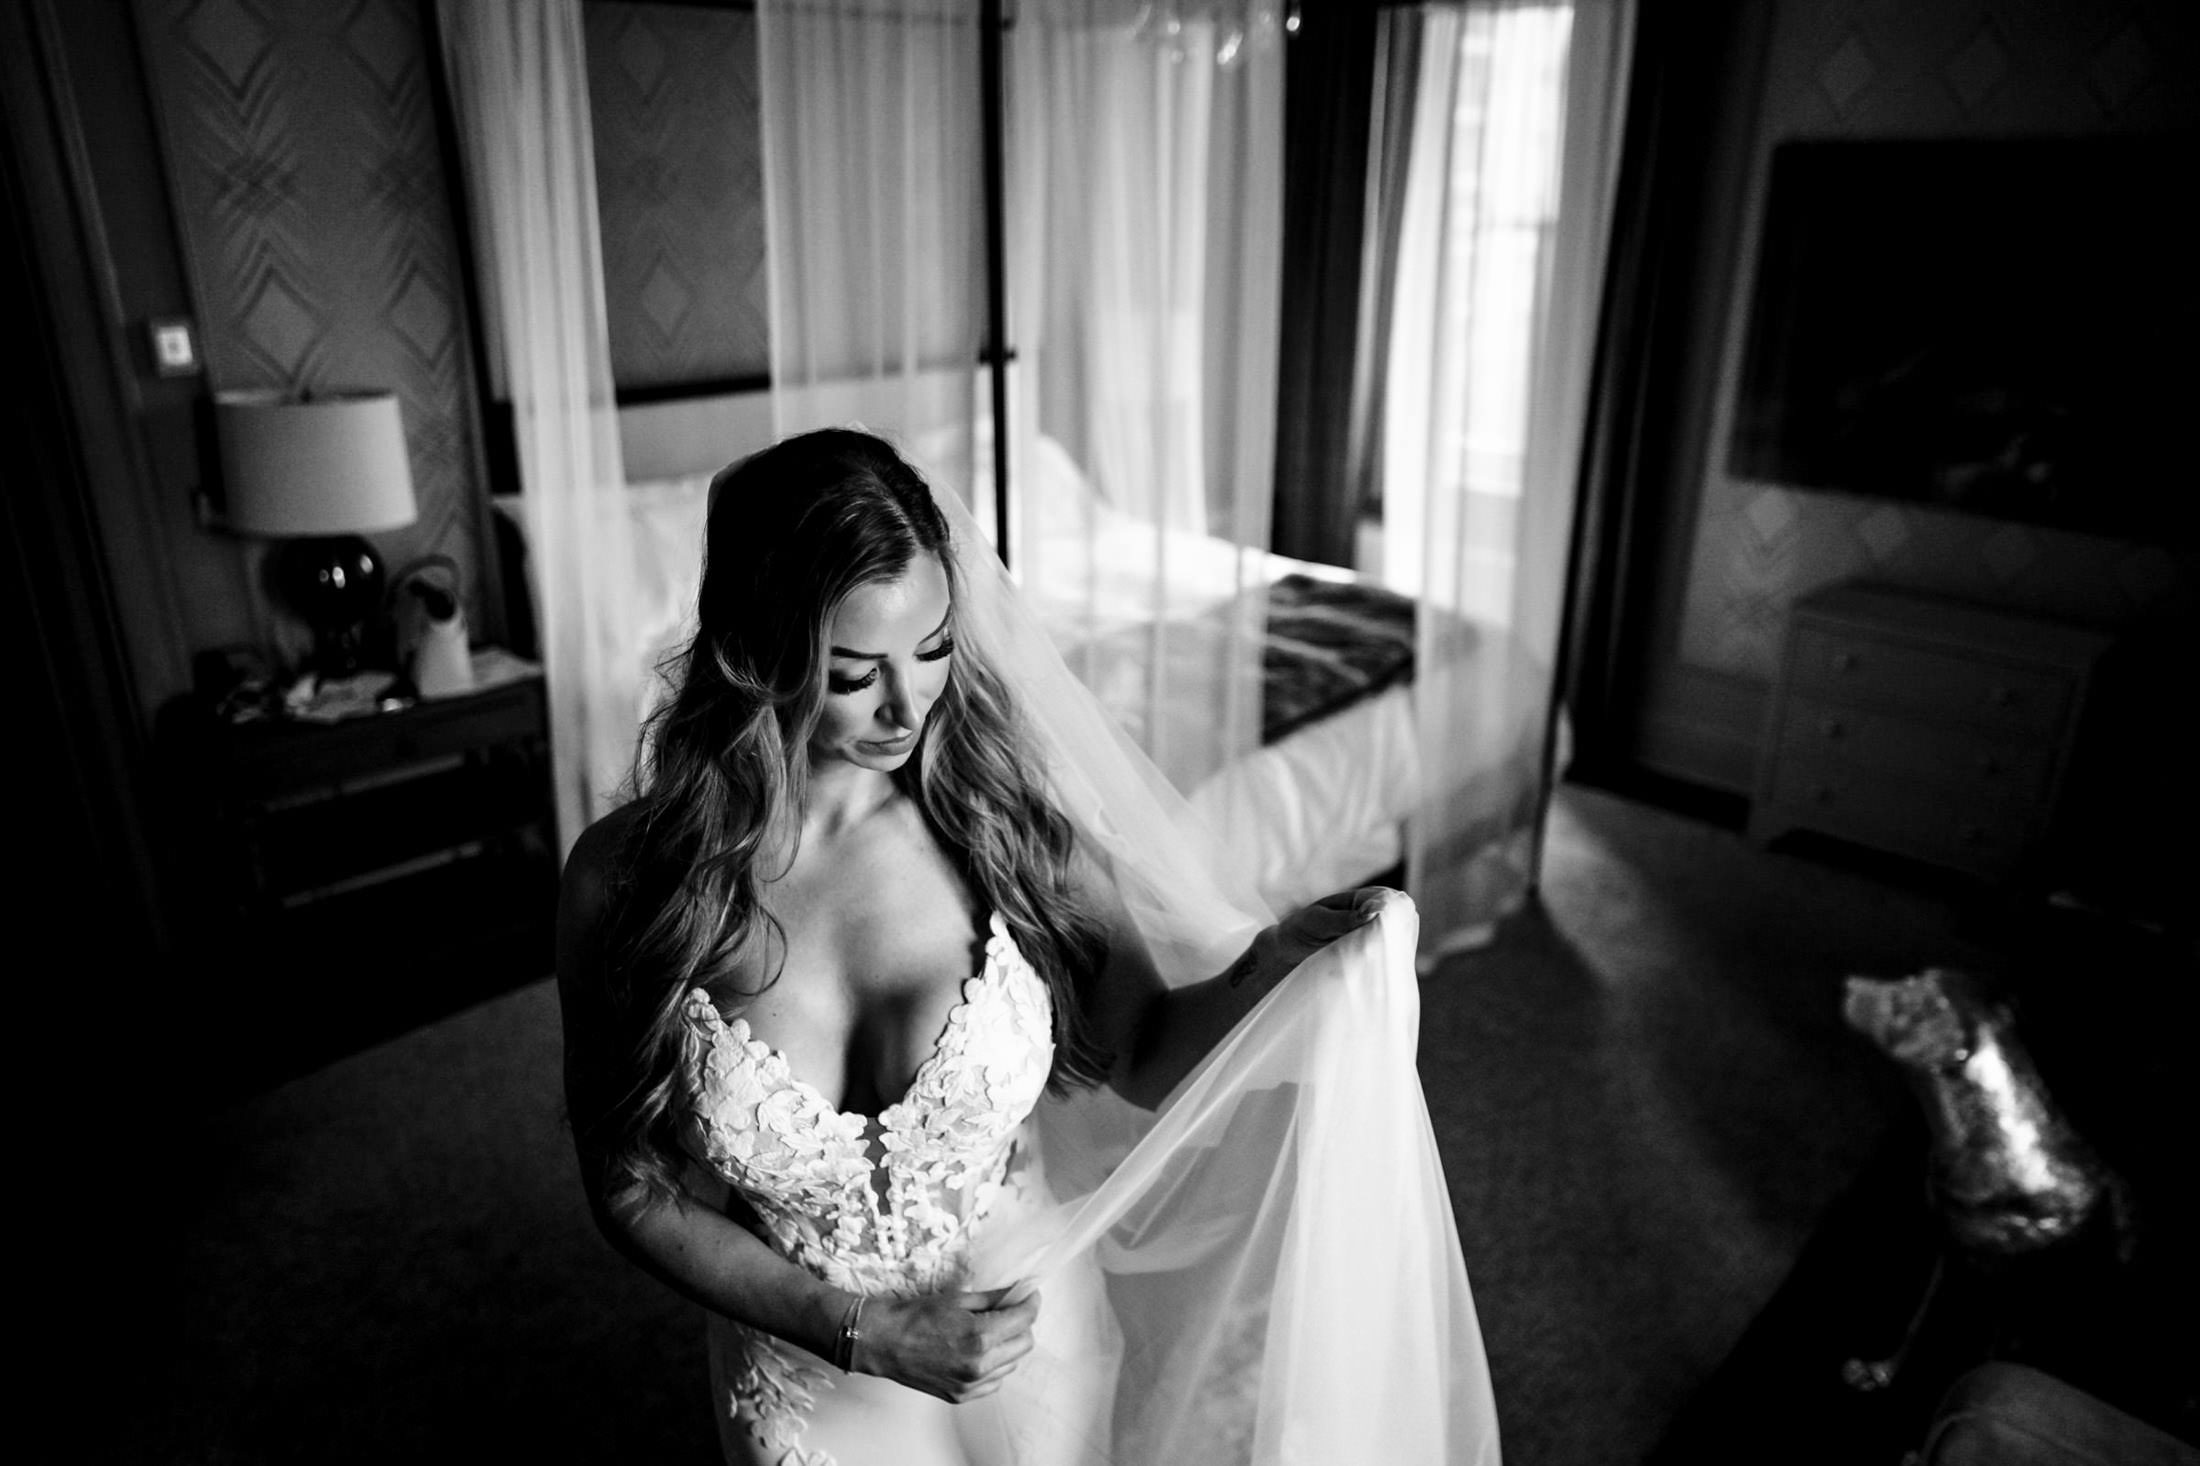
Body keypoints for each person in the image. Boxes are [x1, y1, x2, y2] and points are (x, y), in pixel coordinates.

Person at [557, 429, 1496, 1466]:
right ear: (756, 649)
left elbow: (1139, 1045)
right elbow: (630, 1186)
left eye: (933, 649)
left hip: (1026, 1332)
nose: (908, 707)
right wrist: (861, 1332)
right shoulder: (628, 879)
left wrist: (1271, 962)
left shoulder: (1000, 813)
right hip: (804, 1372)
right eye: (855, 671)